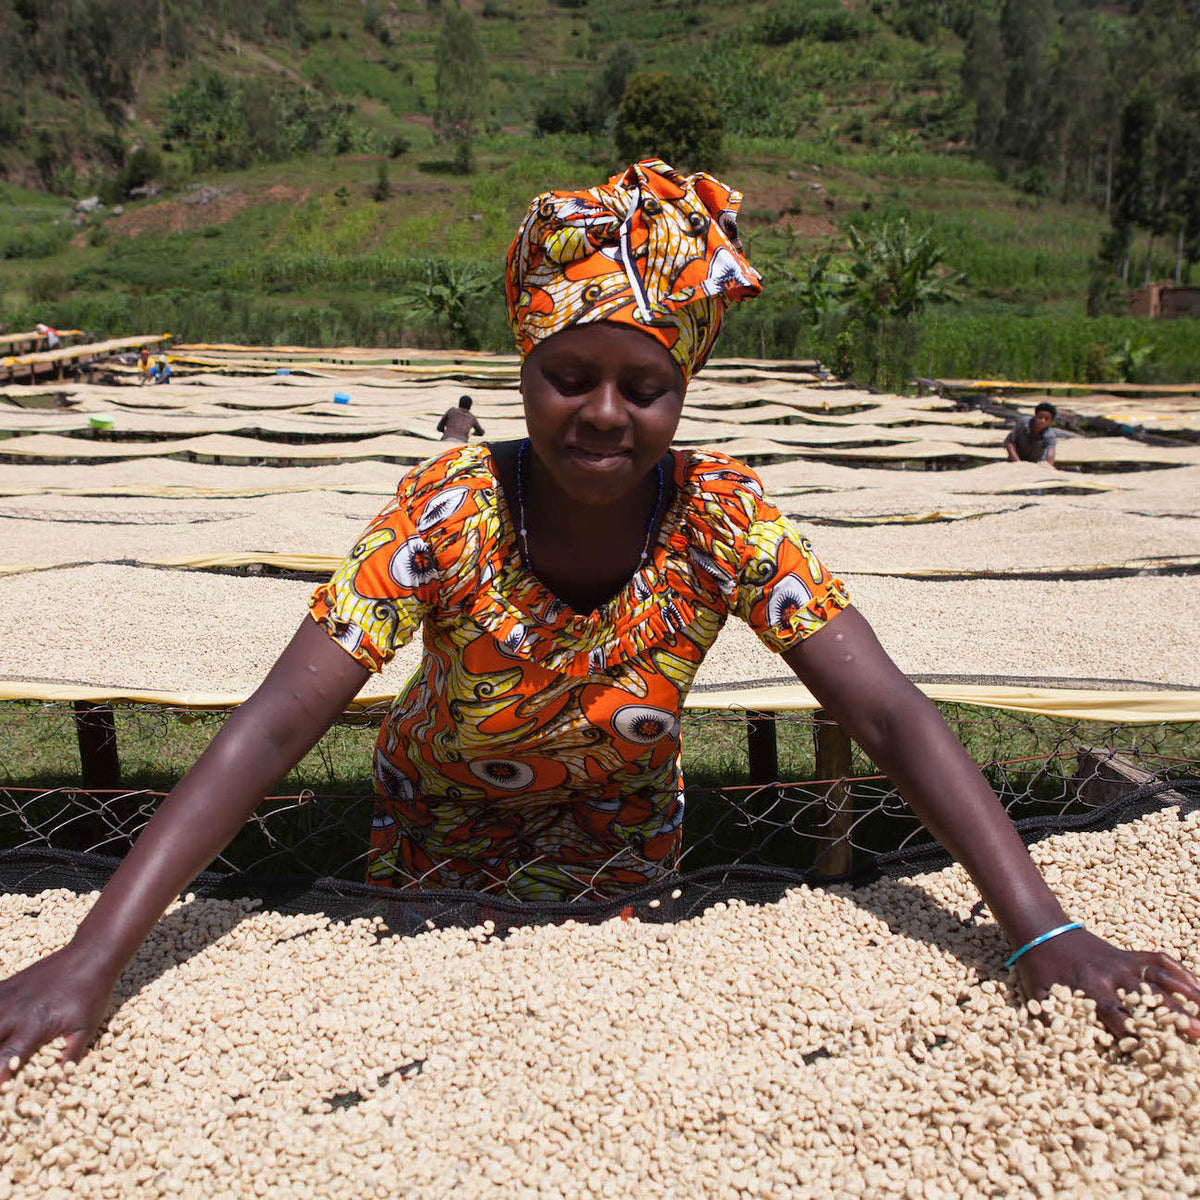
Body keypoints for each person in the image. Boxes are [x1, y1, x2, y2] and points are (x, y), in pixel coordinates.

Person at [1, 160, 1197, 1080]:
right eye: (570, 378)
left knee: (605, 1064)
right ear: (524, 370)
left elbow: (883, 709)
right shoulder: (448, 509)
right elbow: (273, 725)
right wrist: (93, 958)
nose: (606, 414)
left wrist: (1040, 933)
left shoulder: (722, 517)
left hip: (623, 840)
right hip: (438, 828)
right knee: (422, 1061)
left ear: (684, 389)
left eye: (646, 386)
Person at [1005, 401, 1057, 466]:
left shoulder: (1050, 435)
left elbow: (1050, 454)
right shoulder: (1023, 424)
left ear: (1050, 422)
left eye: (1046, 419)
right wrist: (1018, 463)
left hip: (1035, 464)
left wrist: (1048, 468)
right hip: (1015, 460)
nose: (1042, 421)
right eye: (1040, 417)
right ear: (1035, 416)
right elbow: (1010, 443)